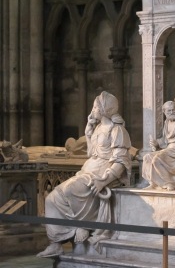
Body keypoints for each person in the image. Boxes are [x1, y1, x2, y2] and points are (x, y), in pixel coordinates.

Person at [37, 92, 132, 257]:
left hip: (99, 174)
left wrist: (105, 180)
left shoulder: (117, 130)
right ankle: (57, 241)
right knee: (51, 199)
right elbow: (90, 153)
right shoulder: (97, 128)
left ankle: (82, 226)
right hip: (88, 170)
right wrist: (88, 132)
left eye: (96, 106)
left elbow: (121, 161)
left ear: (104, 109)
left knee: (63, 193)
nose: (93, 110)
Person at [141, 100, 175, 191]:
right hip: (169, 148)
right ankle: (153, 183)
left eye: (173, 110)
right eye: (169, 111)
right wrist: (156, 142)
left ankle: (170, 182)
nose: (172, 112)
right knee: (147, 157)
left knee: (157, 159)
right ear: (164, 112)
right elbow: (165, 140)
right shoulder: (167, 122)